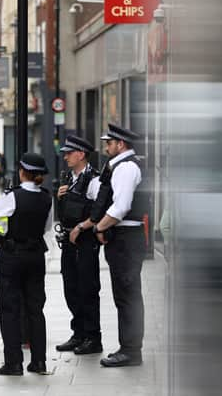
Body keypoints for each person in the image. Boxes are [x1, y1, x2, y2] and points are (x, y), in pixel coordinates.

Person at [0, 153, 53, 376]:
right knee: (35, 309)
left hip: (12, 256)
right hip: (36, 256)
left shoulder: (12, 197)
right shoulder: (46, 197)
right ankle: (39, 362)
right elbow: (46, 227)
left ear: (22, 172)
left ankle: (13, 363)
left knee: (10, 309)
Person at [91, 124, 146, 368]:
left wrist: (99, 227)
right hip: (124, 238)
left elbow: (121, 206)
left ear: (120, 144)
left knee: (127, 296)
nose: (106, 147)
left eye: (109, 143)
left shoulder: (125, 167)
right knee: (125, 295)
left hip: (126, 238)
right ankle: (129, 348)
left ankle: (131, 350)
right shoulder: (121, 166)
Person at [54, 135, 103, 355]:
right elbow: (64, 212)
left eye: (69, 153)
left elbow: (98, 212)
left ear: (81, 154)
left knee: (88, 289)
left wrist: (82, 227)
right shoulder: (69, 178)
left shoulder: (94, 180)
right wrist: (59, 196)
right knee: (70, 288)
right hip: (68, 241)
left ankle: (93, 338)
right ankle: (79, 333)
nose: (65, 157)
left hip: (84, 242)